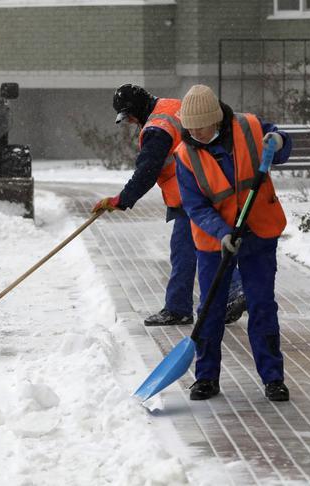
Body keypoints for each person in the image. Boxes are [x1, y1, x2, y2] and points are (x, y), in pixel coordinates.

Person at [92, 84, 246, 327]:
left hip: (191, 193)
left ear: (136, 110)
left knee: (198, 249)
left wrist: (121, 200)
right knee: (197, 247)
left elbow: (147, 171)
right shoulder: (173, 105)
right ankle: (191, 303)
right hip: (213, 183)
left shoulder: (156, 129)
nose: (130, 122)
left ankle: (228, 291)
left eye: (129, 116)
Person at [174, 84, 292, 402]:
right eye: (190, 127)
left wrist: (279, 141)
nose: (196, 132)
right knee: (210, 309)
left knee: (262, 305)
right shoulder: (185, 156)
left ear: (216, 118)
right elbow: (195, 206)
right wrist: (222, 232)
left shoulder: (249, 127)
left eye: (201, 125)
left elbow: (280, 146)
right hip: (217, 241)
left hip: (259, 231)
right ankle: (206, 378)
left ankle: (273, 378)